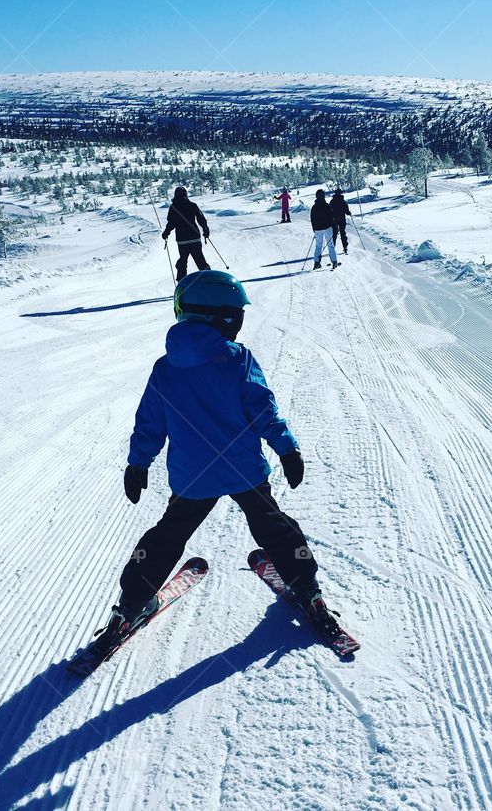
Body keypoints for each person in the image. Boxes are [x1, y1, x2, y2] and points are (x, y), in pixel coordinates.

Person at [91, 271, 341, 653]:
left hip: (193, 478)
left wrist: (138, 463)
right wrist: (287, 449)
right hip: (244, 471)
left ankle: (130, 605)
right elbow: (264, 413)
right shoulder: (238, 360)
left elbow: (149, 424)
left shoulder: (165, 368)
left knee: (166, 537)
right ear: (221, 317)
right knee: (275, 528)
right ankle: (307, 588)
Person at [162, 186, 210, 281]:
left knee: (183, 261)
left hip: (182, 240)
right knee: (200, 260)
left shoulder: (173, 208)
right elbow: (201, 218)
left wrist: (166, 233)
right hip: (195, 237)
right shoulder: (192, 205)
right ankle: (209, 280)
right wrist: (205, 228)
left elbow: (171, 223)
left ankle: (181, 283)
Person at [309, 189, 339, 270]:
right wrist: (335, 227)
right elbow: (331, 218)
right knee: (330, 246)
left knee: (318, 246)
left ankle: (316, 263)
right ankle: (334, 262)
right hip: (327, 228)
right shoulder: (327, 206)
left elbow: (312, 219)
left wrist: (314, 229)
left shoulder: (314, 207)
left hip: (318, 229)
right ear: (323, 196)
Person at [329, 189, 353, 254]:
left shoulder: (332, 201)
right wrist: (349, 213)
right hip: (342, 219)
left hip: (334, 220)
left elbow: (330, 211)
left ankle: (332, 247)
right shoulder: (343, 201)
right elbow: (346, 210)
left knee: (334, 234)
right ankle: (345, 247)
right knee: (343, 233)